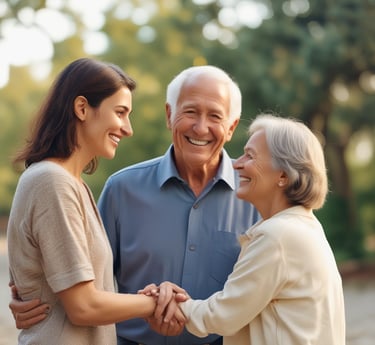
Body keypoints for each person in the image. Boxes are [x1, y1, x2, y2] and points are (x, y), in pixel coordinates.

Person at [9, 65, 260, 345]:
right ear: (169, 115)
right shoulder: (114, 188)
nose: (128, 129)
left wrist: (37, 288)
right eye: (190, 112)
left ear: (232, 127)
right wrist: (35, 288)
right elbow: (83, 294)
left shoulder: (260, 196)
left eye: (214, 116)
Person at [6, 57, 184, 345]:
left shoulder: (73, 185)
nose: (128, 129)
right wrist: (156, 303)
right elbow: (84, 306)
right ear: (82, 108)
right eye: (120, 112)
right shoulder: (52, 182)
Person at [150, 114, 346, 345]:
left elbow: (222, 315)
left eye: (250, 156)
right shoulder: (303, 227)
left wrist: (167, 302)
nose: (236, 163)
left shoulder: (278, 236)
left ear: (283, 175)